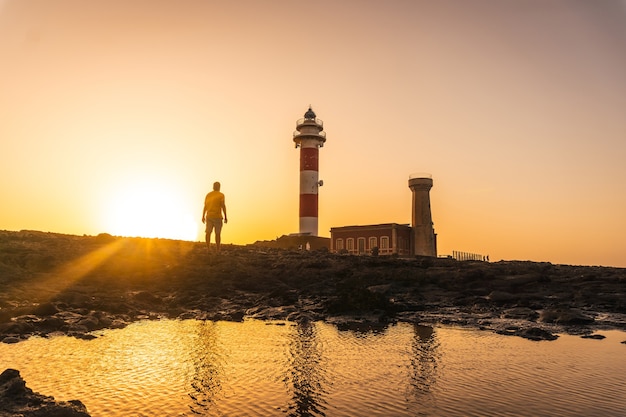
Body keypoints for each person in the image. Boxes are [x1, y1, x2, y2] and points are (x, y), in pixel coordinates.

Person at [202, 181, 228, 252]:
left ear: (213, 187)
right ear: (219, 187)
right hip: (217, 217)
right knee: (217, 233)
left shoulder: (208, 195)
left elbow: (205, 206)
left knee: (208, 232)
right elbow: (223, 206)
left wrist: (203, 216)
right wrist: (225, 216)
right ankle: (218, 249)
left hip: (209, 216)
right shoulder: (221, 195)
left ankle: (208, 248)